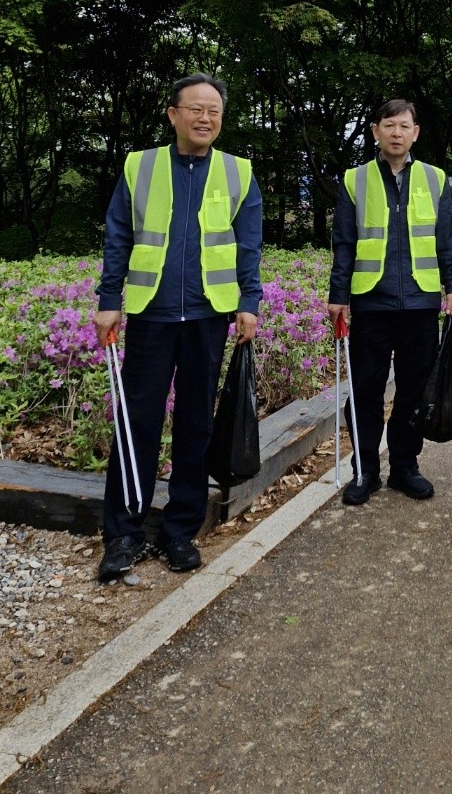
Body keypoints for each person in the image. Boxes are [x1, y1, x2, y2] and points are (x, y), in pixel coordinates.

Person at [93, 74, 263, 581]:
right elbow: (118, 235)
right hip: (151, 313)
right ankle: (123, 534)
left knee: (195, 424)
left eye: (214, 110)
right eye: (195, 108)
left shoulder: (238, 172)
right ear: (172, 115)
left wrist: (248, 302)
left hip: (208, 316)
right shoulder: (140, 165)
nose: (205, 117)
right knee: (137, 424)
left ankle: (180, 531)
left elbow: (247, 243)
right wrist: (108, 300)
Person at [328, 98, 452, 506]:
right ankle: (365, 470)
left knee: (413, 390)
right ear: (375, 131)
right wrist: (338, 297)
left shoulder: (436, 179)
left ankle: (405, 466)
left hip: (421, 303)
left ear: (415, 132)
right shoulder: (355, 180)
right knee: (366, 390)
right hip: (370, 302)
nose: (397, 133)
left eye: (404, 126)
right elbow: (344, 244)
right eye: (389, 126)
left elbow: (446, 240)